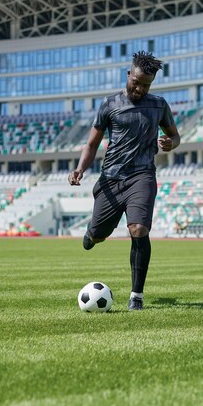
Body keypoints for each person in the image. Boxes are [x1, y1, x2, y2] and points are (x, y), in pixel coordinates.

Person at [68, 51, 180, 311]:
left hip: (142, 177)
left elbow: (175, 136)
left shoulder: (159, 105)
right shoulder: (110, 104)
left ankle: (136, 296)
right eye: (136, 82)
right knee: (98, 234)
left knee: (139, 229)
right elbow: (92, 143)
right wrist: (80, 169)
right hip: (110, 179)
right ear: (128, 74)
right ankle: (92, 234)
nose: (139, 88)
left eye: (145, 85)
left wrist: (169, 143)